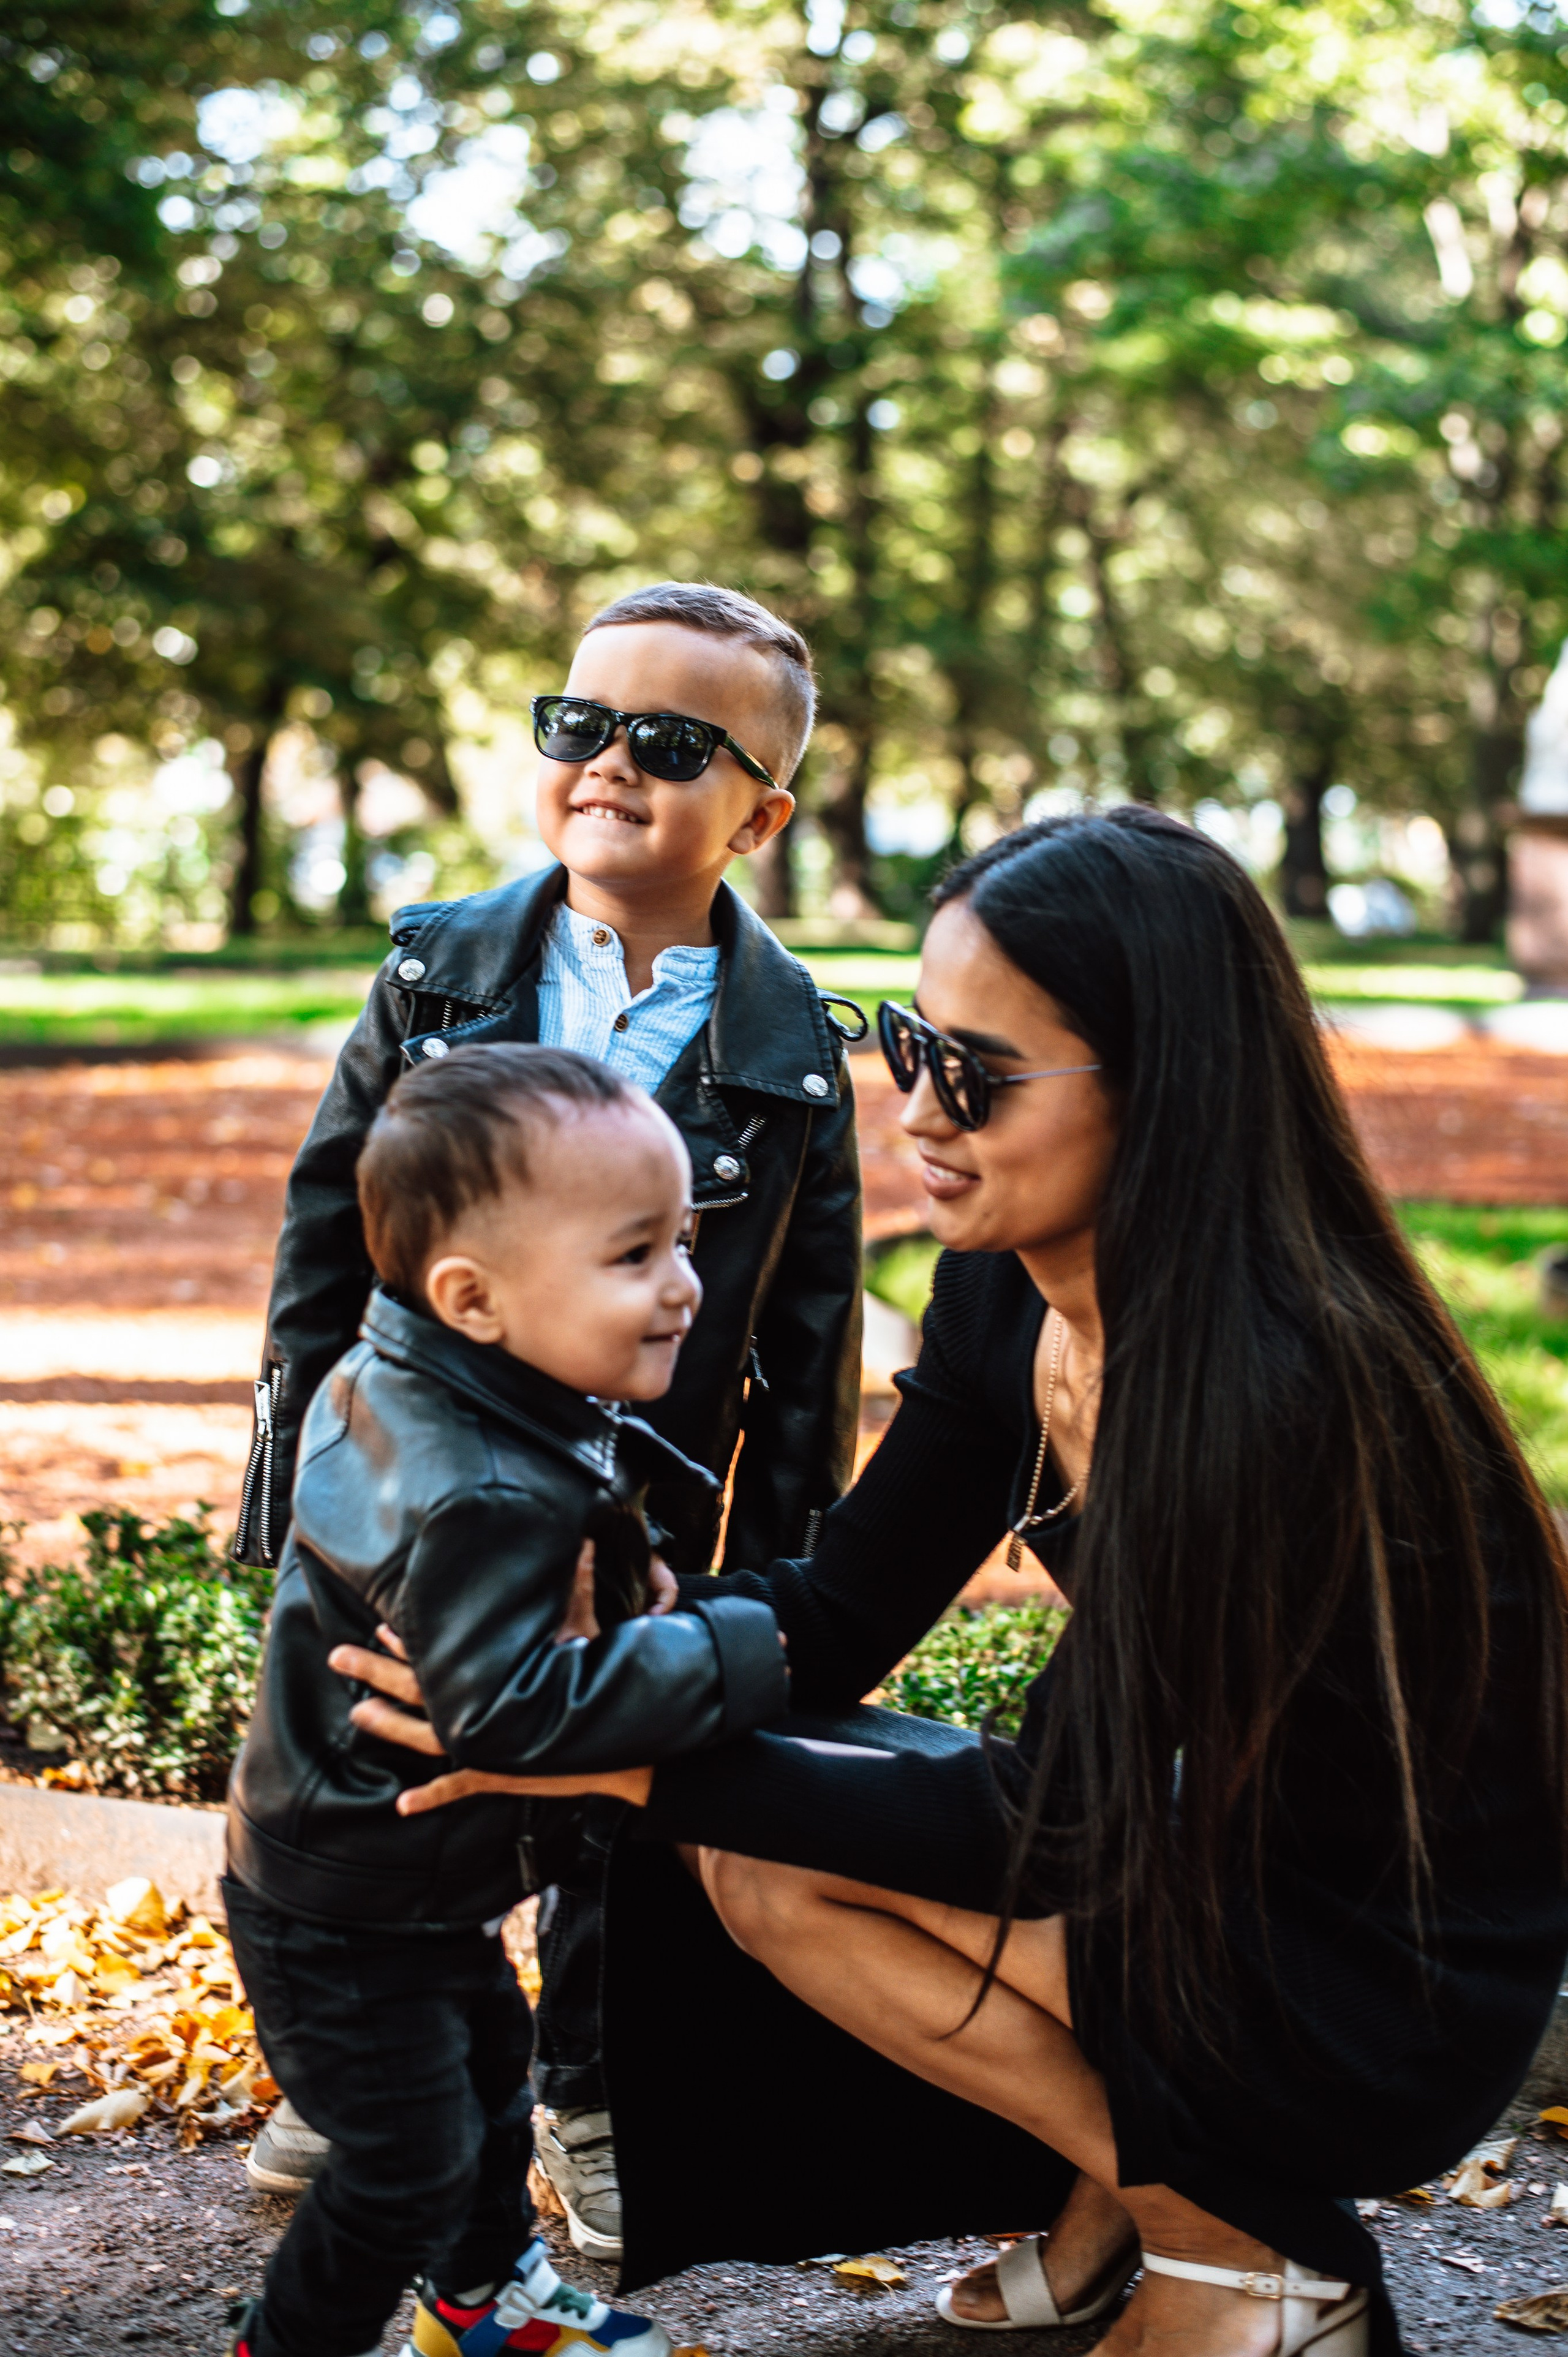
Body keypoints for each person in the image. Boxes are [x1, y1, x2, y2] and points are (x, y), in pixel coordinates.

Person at [341, 808, 1568, 2357]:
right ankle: (1134, 2192)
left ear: (1161, 1087)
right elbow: (840, 1610)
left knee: (744, 1831)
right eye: (908, 1042)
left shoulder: (1278, 1392)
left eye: (976, 1073)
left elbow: (1056, 1820)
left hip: (1374, 1981)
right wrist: (592, 1669)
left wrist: (622, 1758)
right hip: (1214, 1864)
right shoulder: (1007, 1294)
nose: (917, 1108)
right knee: (732, 1826)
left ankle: (1252, 2249)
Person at [236, 580, 863, 2242]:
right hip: (406, 1474)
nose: (608, 764)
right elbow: (326, 1235)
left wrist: (771, 1568)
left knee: (598, 1800)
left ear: (762, 814)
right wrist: (294, 1480)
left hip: (629, 1493)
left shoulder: (792, 1047)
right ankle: (369, 2067)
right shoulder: (442, 968)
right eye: (580, 725)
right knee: (386, 1752)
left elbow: (811, 1335)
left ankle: (586, 2087)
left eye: (668, 741)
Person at [223, 1043, 790, 2357]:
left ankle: (484, 2304)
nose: (683, 1287)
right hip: (351, 1911)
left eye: (683, 1242)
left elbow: (564, 1497)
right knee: (402, 2163)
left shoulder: (426, 1374)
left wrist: (618, 1548)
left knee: (486, 2082)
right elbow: (513, 1714)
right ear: (472, 1296)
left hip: (398, 1882)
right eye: (633, 1254)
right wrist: (732, 1654)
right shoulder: (479, 1486)